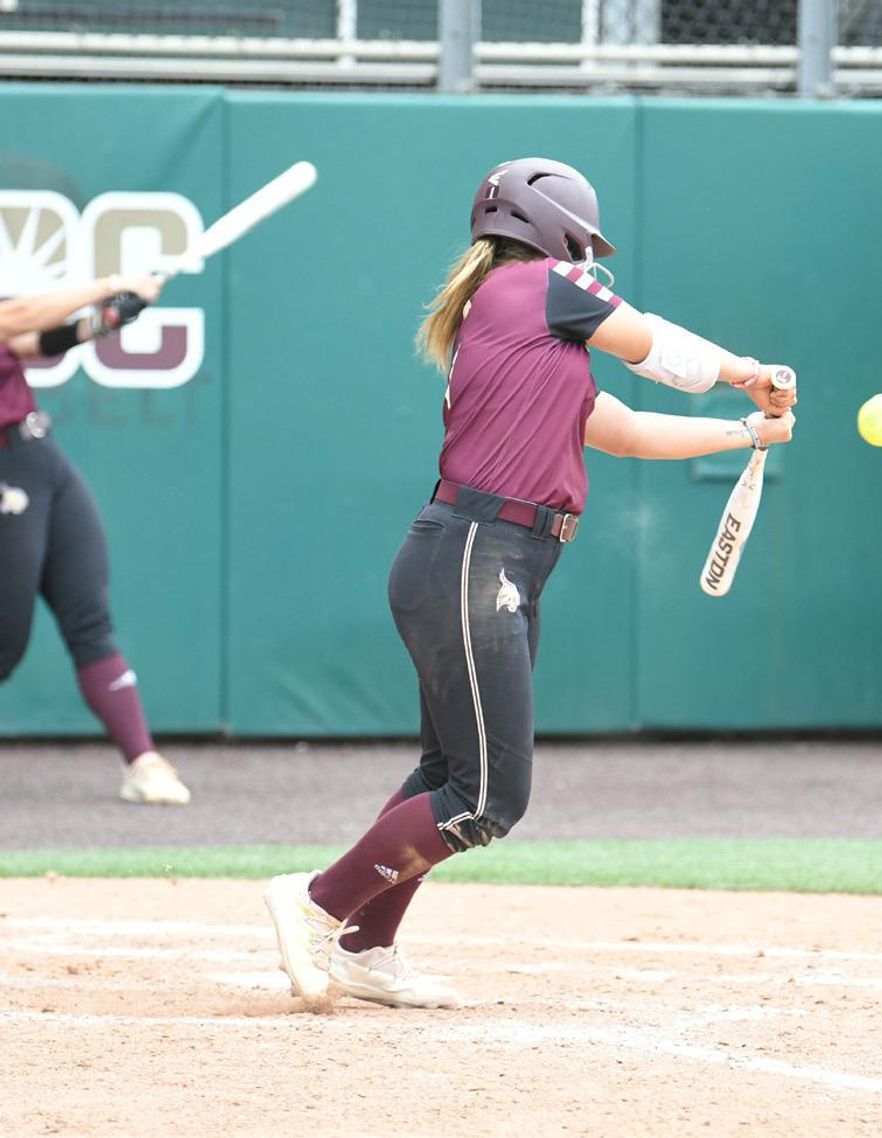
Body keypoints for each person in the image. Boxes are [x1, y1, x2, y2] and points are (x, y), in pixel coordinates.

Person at [264, 157, 796, 1008]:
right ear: (549, 230)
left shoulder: (531, 338)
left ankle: (364, 946)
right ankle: (317, 901)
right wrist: (747, 371)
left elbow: (621, 431)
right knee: (485, 796)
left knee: (448, 772)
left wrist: (744, 433)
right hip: (478, 551)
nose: (589, 263)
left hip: (492, 558)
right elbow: (654, 345)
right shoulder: (531, 288)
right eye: (582, 245)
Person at [0, 272, 191, 806]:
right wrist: (112, 281)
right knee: (3, 646)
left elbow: (25, 342)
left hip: (38, 455)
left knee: (88, 614)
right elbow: (10, 320)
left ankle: (142, 760)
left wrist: (102, 322)